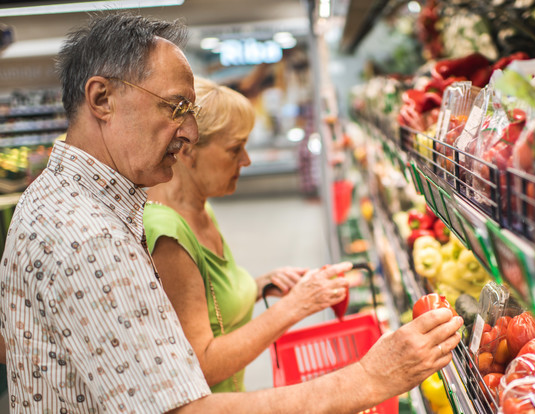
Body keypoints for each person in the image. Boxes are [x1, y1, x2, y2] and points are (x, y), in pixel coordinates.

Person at [0, 12, 462, 414]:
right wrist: (367, 379)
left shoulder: (59, 198)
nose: (189, 133)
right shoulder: (90, 236)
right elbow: (183, 410)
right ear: (101, 99)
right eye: (176, 107)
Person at [143, 76, 348, 392]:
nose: (246, 160)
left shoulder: (200, 209)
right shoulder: (167, 235)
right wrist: (296, 306)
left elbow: (208, 303)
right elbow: (202, 366)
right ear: (187, 150)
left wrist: (259, 285)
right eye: (234, 148)